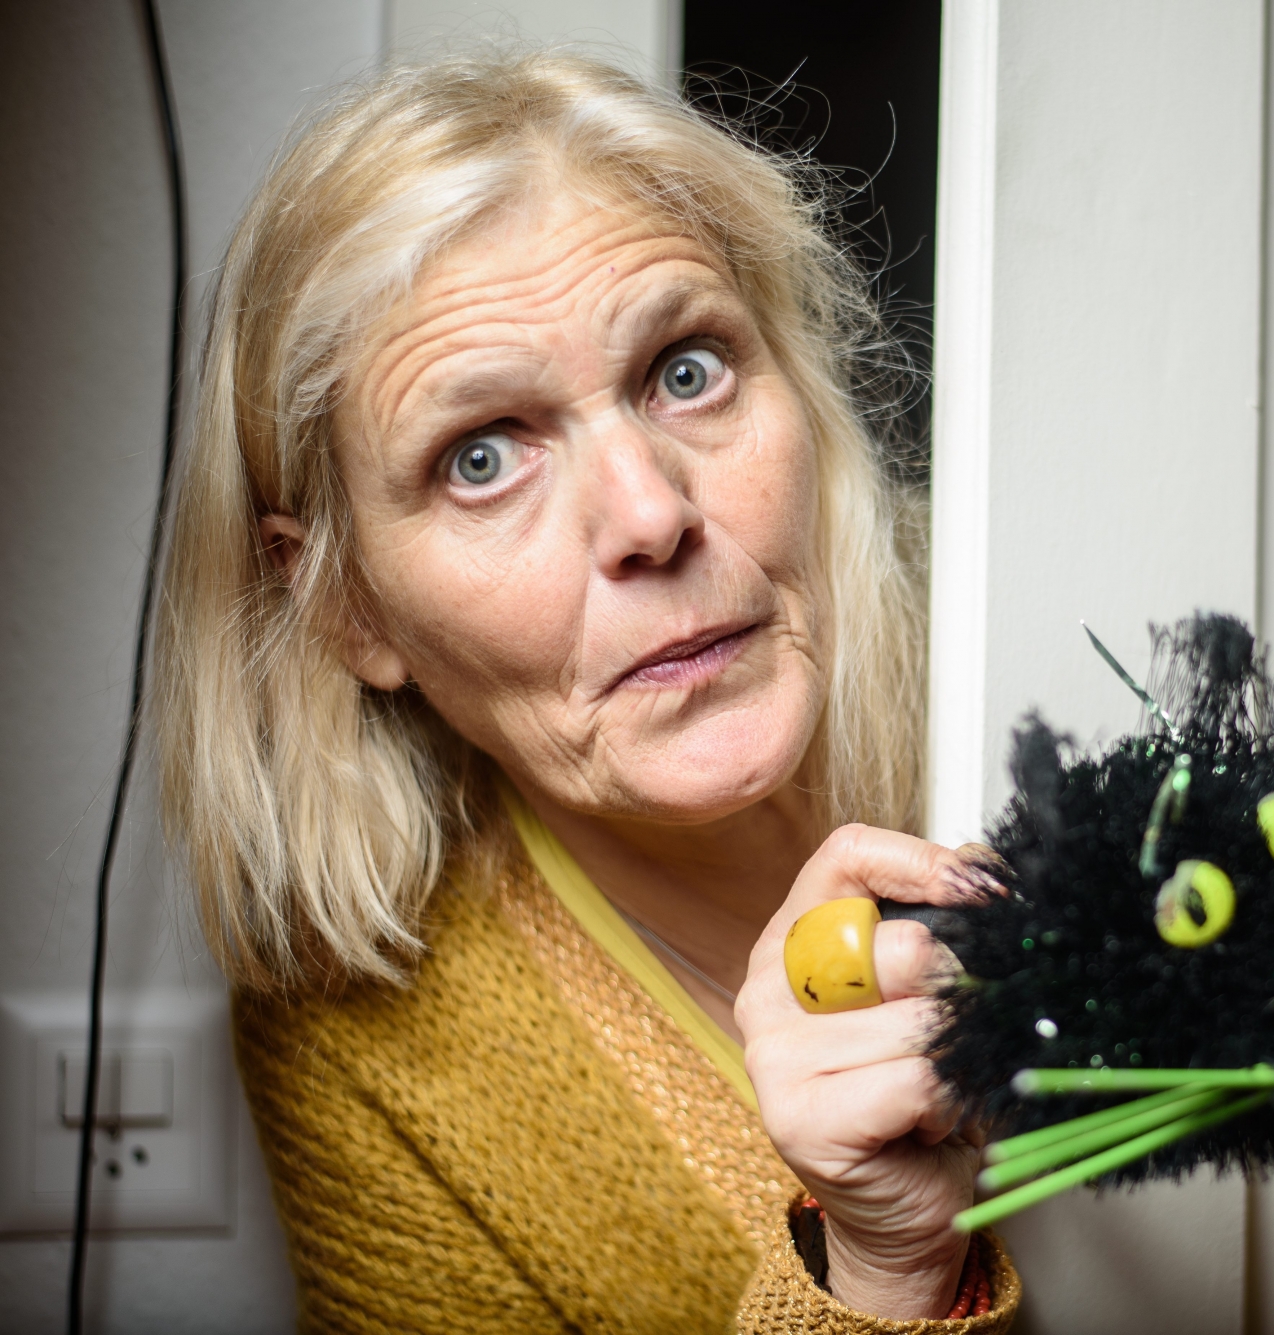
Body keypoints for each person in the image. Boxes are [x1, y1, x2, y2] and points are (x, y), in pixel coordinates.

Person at [153, 47, 1017, 1333]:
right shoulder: (359, 1046)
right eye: (480, 457)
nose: (650, 514)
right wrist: (879, 1269)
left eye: (686, 369)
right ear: (343, 606)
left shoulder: (1042, 642)